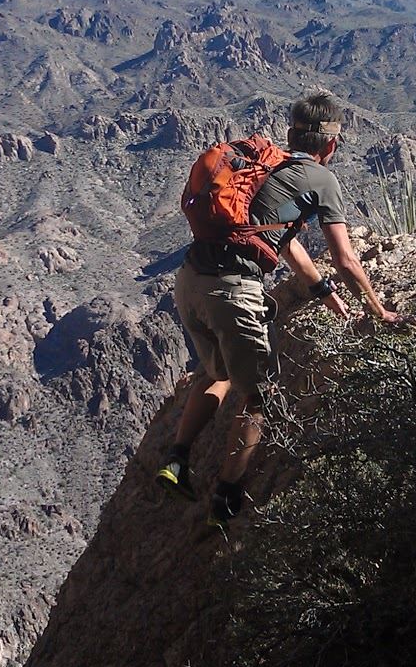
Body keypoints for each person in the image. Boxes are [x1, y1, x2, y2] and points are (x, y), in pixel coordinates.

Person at [158, 91, 400, 526]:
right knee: (260, 399)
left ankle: (175, 462)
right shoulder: (321, 180)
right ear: (332, 144)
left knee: (217, 374)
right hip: (231, 291)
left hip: (189, 281)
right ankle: (226, 501)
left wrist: (323, 292)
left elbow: (280, 241)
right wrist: (378, 309)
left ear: (291, 134)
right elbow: (346, 259)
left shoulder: (265, 169)